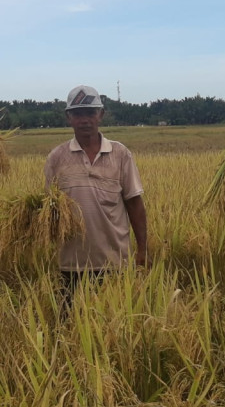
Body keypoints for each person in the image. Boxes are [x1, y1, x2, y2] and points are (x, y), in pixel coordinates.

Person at [44, 85, 148, 295]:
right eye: (78, 113)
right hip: (71, 266)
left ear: (101, 115)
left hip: (115, 264)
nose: (85, 119)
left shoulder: (120, 154)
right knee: (69, 325)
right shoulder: (56, 158)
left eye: (90, 113)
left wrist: (143, 249)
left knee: (118, 324)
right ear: (68, 117)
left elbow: (135, 204)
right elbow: (48, 210)